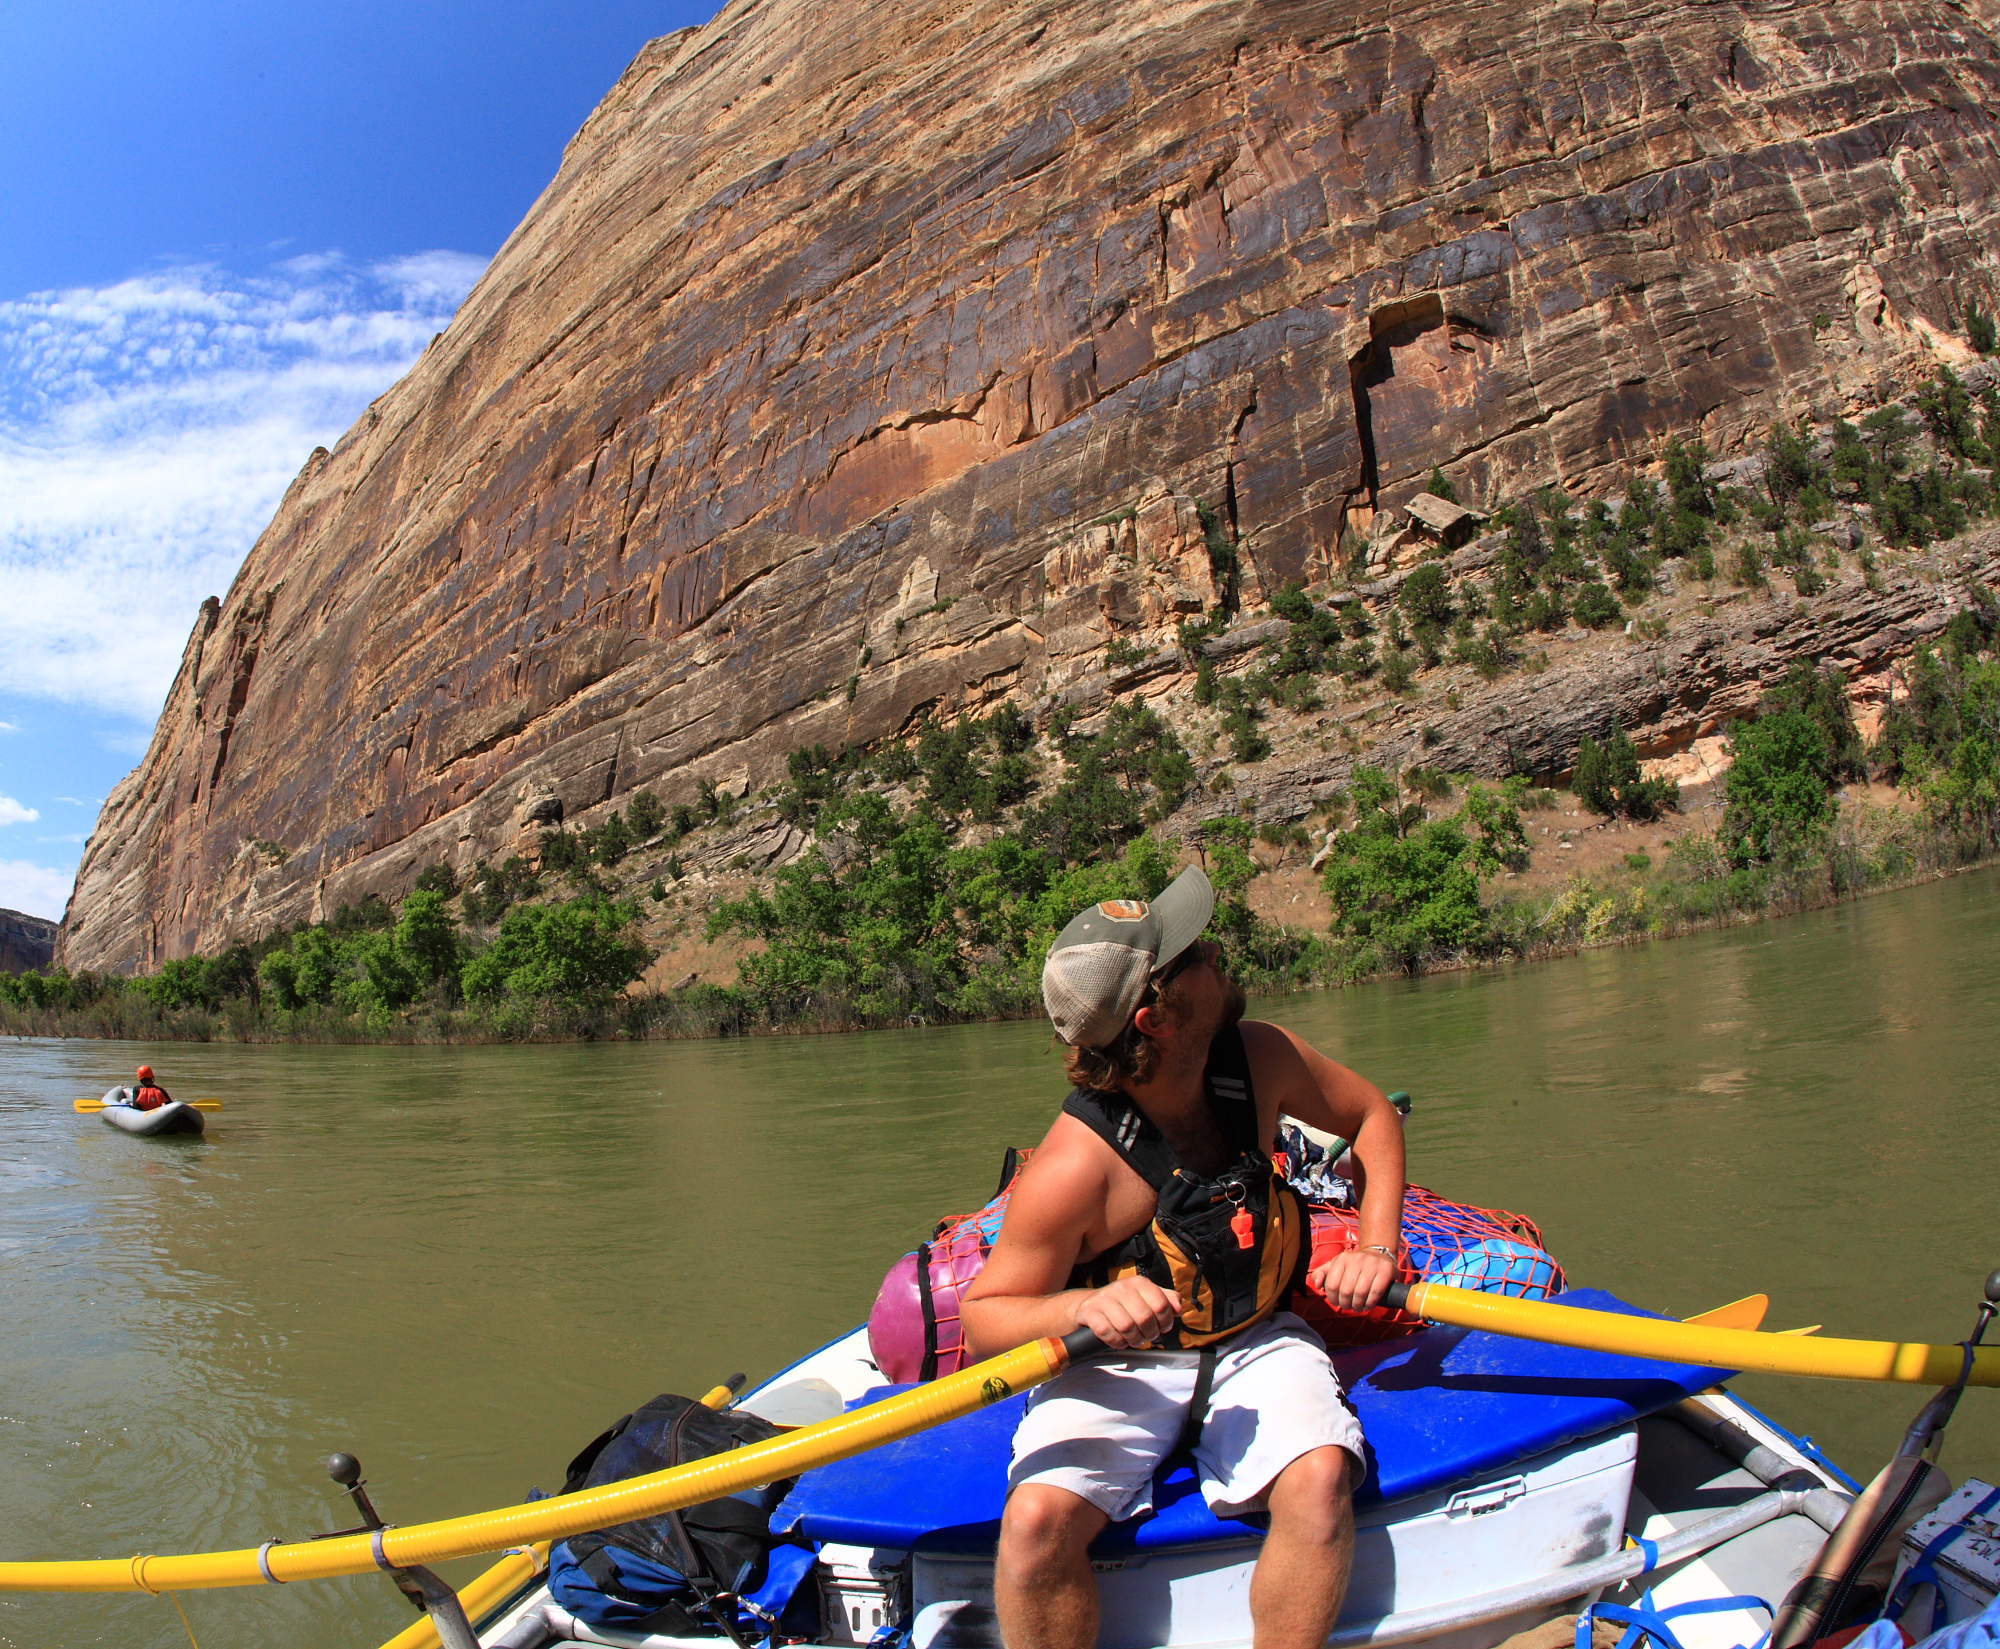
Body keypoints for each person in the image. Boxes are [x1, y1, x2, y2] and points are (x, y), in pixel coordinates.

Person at [961, 866, 1406, 1649]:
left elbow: (1371, 1115)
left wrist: (1377, 1244)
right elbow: (985, 1318)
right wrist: (1082, 1306)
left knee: (1321, 1478)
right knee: (1034, 1523)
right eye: (1193, 955)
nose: (1215, 952)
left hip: (1257, 1335)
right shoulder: (1074, 1169)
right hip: (1120, 1362)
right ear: (1154, 1016)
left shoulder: (1260, 1057)